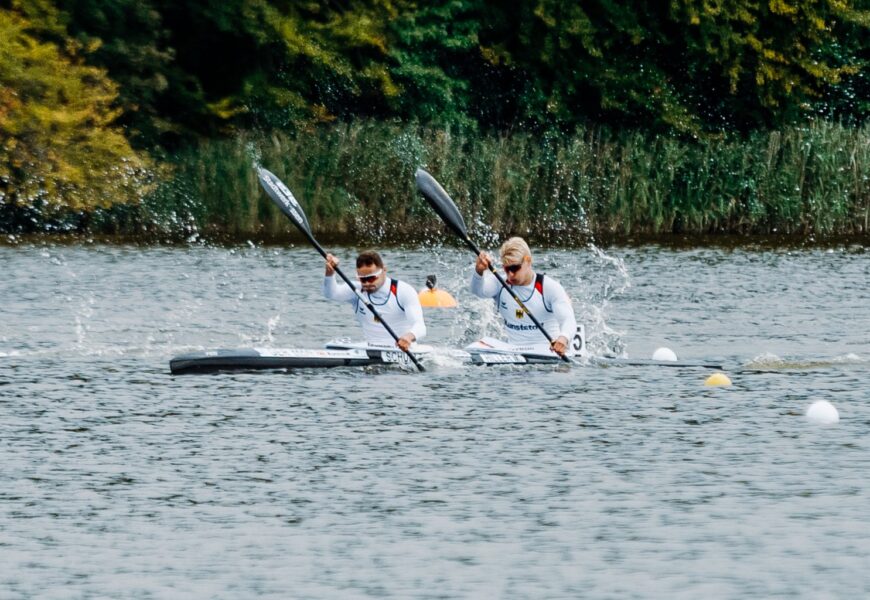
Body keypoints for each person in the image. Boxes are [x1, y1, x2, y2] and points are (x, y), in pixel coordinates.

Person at [470, 237, 577, 356]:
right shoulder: (499, 283)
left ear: (528, 261)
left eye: (514, 268)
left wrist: (564, 338)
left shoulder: (549, 287)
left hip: (548, 352)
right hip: (514, 351)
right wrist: (479, 271)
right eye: (506, 269)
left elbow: (568, 319)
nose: (510, 274)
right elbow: (477, 291)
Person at [323, 250, 426, 351]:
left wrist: (408, 337)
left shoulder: (403, 291)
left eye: (372, 278)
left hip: (400, 349)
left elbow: (420, 326)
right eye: (363, 279)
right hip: (370, 348)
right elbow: (331, 294)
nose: (367, 283)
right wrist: (330, 273)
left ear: (384, 270)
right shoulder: (357, 290)